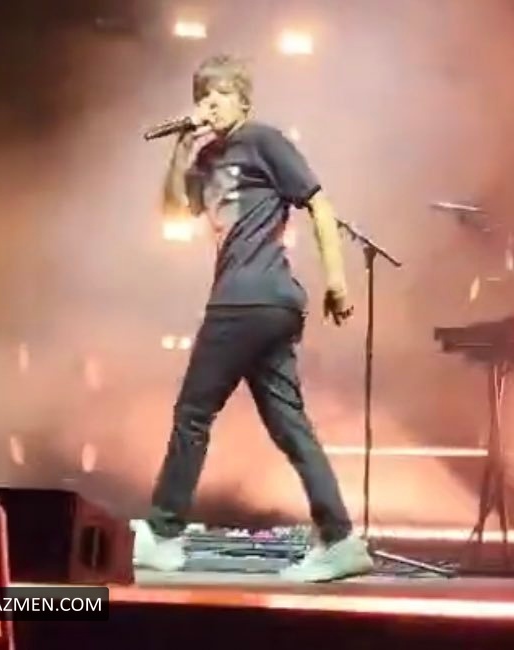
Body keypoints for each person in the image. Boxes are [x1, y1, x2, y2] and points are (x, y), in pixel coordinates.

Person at [131, 54, 373, 582]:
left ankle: (164, 534)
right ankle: (340, 540)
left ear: (242, 100)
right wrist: (181, 149)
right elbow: (174, 210)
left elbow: (320, 203)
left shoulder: (264, 140)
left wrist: (336, 280)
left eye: (220, 94)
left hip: (249, 299)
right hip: (260, 306)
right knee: (289, 425)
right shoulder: (206, 158)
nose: (210, 105)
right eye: (203, 96)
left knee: (193, 413)